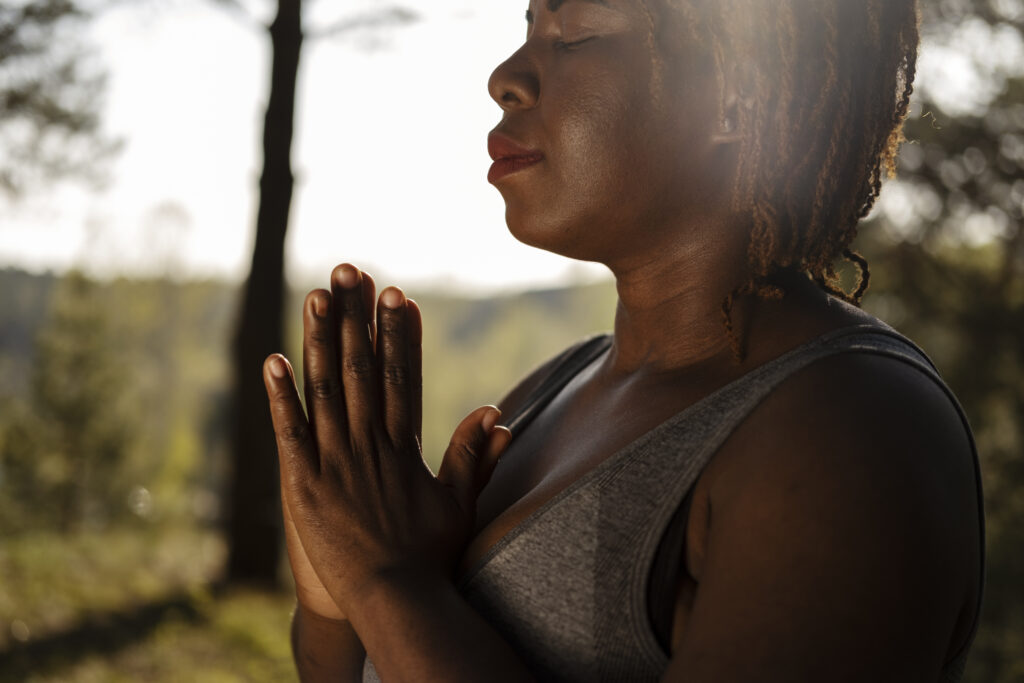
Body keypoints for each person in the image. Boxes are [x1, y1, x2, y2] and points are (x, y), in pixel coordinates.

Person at [262, 0, 985, 680]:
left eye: (573, 35)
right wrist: (338, 578)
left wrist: (389, 583)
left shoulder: (852, 432)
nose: (504, 77)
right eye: (528, 23)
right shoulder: (556, 389)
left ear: (738, 96)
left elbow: (396, 599)